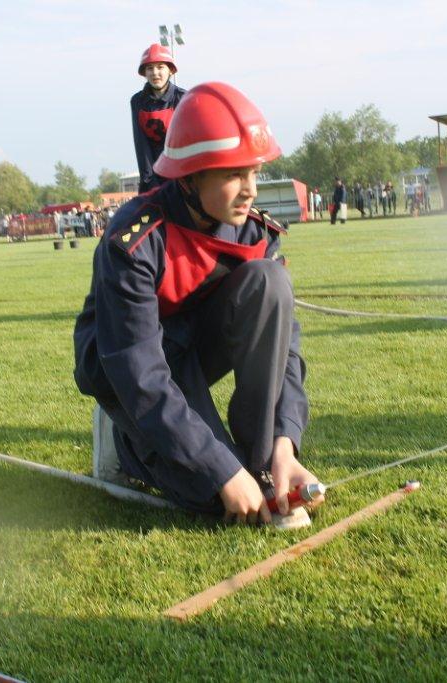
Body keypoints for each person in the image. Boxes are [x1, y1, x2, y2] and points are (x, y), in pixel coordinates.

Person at [74, 82, 322, 527]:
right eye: (232, 175)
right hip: (129, 369)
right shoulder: (133, 240)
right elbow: (140, 371)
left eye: (254, 173)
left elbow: (284, 348)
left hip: (190, 352)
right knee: (213, 495)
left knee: (271, 281)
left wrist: (285, 443)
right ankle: (123, 442)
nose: (250, 191)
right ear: (188, 177)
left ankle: (262, 462)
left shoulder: (254, 233)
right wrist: (220, 469)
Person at [131, 44, 187, 193]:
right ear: (144, 73)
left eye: (160, 67)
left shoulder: (184, 98)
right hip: (154, 177)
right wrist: (150, 182)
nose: (155, 73)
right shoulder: (137, 101)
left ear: (170, 70)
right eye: (150, 68)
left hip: (182, 176)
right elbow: (141, 145)